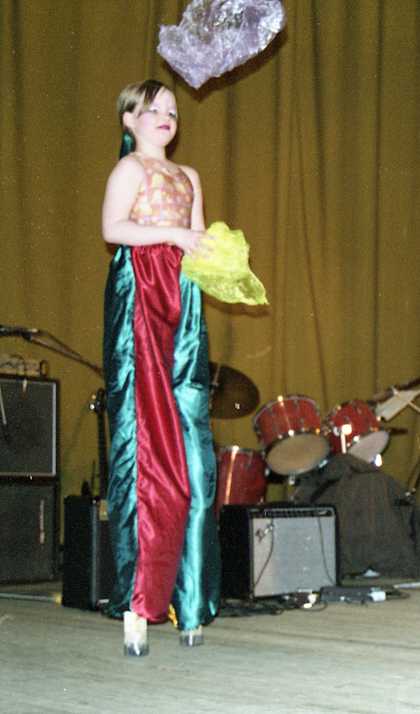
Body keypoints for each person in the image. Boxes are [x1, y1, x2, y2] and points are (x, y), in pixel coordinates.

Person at [101, 79, 220, 655]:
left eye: (172, 110)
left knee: (193, 443)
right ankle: (138, 603)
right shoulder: (130, 171)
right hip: (141, 292)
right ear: (130, 120)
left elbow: (198, 237)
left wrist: (220, 256)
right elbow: (113, 229)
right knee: (146, 445)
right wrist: (174, 234)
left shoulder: (190, 176)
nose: (166, 117)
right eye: (153, 110)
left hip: (183, 295)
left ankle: (191, 602)